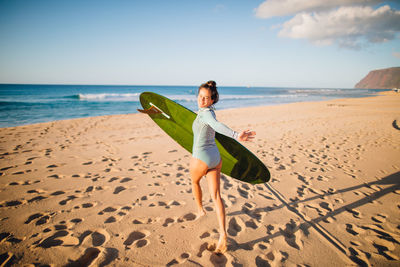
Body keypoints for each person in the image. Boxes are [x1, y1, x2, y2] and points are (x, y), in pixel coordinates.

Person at [190, 80, 256, 253]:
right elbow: (214, 124)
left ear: (212, 100)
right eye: (200, 97)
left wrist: (235, 135)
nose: (203, 100)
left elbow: (217, 126)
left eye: (207, 98)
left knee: (194, 182)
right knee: (217, 196)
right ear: (197, 96)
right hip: (215, 158)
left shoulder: (206, 114)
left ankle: (200, 210)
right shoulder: (210, 112)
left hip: (201, 157)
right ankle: (223, 235)